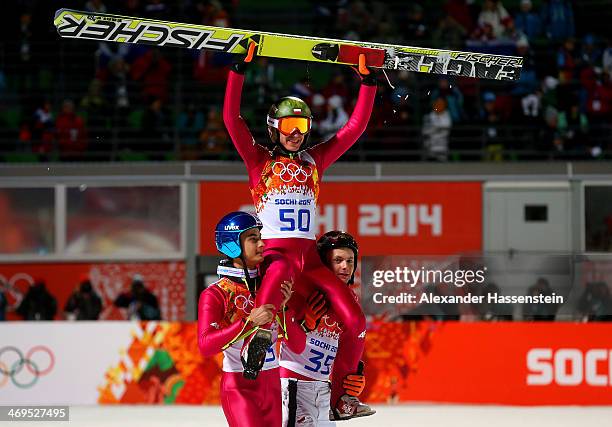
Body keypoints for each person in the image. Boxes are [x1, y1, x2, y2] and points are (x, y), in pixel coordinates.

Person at [223, 41, 377, 419]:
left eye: (303, 125)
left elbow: (354, 129)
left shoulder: (314, 160)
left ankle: (344, 398)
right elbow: (231, 120)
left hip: (308, 258)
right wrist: (237, 71)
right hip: (276, 253)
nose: (297, 133)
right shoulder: (259, 161)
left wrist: (368, 82)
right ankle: (259, 345)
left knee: (355, 322)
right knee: (268, 305)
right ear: (275, 128)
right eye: (290, 125)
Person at [198, 211, 305, 427]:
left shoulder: (271, 289)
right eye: (253, 239)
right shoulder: (215, 294)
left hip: (273, 385)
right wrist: (249, 322)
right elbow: (205, 345)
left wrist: (284, 310)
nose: (262, 245)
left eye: (261, 238)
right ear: (232, 245)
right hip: (239, 387)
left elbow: (298, 345)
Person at [280, 231, 373, 425]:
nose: (345, 266)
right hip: (294, 385)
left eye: (350, 260)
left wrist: (350, 380)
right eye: (338, 260)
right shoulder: (305, 289)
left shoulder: (350, 299)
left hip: (324, 389)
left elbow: (342, 350)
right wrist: (301, 323)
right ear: (323, 262)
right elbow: (279, 333)